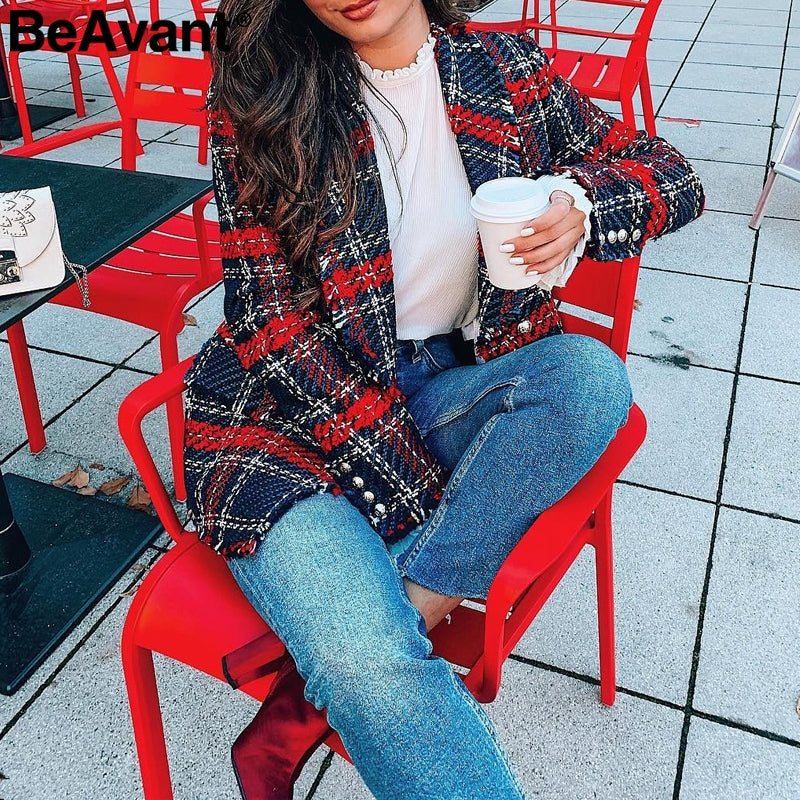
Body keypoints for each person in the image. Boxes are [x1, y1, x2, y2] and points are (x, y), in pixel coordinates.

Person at [182, 0, 705, 798]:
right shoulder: (266, 95)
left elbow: (672, 172)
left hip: (447, 380)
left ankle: (316, 681)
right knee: (368, 661)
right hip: (283, 416)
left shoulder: (505, 71)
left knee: (590, 379)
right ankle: (342, 665)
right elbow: (267, 320)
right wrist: (426, 492)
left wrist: (583, 203)